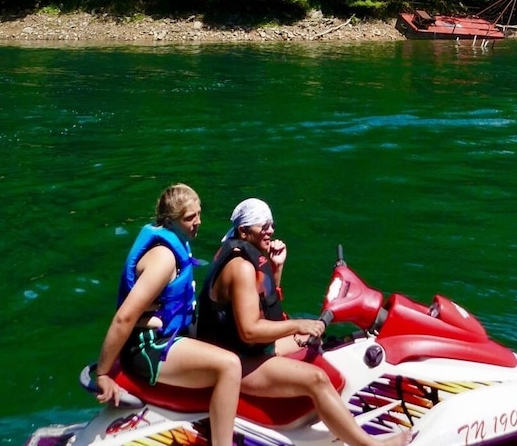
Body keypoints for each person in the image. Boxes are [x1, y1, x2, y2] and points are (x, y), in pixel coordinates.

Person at [196, 198, 410, 446]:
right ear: (244, 231)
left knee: (314, 343)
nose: (271, 231)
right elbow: (250, 331)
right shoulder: (241, 267)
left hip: (247, 350)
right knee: (316, 379)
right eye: (263, 226)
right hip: (239, 361)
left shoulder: (242, 258)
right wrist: (298, 325)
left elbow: (263, 306)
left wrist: (277, 267)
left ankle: (331, 416)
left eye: (271, 225)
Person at [94, 183, 242, 446]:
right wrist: (103, 374)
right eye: (189, 218)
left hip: (170, 333)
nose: (197, 222)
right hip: (148, 348)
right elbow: (124, 318)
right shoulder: (163, 259)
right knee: (229, 366)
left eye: (198, 214)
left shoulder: (178, 243)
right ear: (169, 221)